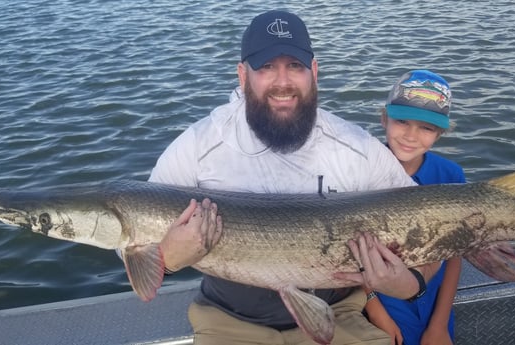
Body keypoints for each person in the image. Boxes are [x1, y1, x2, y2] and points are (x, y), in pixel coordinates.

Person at [149, 9, 426, 345]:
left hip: (339, 314)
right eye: (266, 67)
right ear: (242, 75)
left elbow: (433, 227)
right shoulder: (197, 146)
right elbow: (135, 243)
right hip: (228, 320)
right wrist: (166, 258)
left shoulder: (357, 148)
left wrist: (411, 286)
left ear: (314, 71)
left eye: (294, 66)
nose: (282, 82)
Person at [364, 70, 465, 345]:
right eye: (402, 121)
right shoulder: (360, 175)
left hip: (434, 304)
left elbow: (455, 254)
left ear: (440, 133)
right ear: (384, 118)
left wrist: (439, 324)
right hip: (379, 302)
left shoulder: (451, 176)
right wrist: (375, 311)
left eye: (426, 128)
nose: (411, 135)